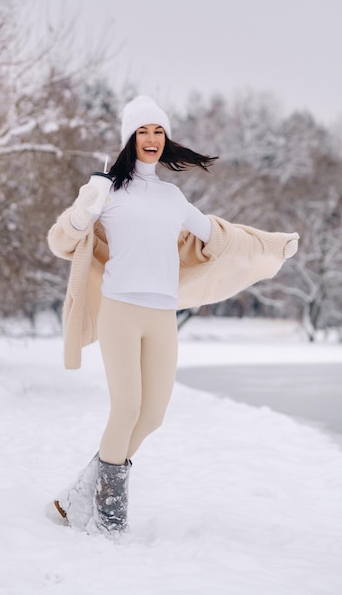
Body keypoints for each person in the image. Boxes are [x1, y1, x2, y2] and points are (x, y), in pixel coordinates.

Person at [47, 95, 299, 538]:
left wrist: (269, 246)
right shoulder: (108, 193)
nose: (151, 139)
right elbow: (61, 241)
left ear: (166, 139)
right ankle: (109, 519)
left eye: (158, 131)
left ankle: (77, 497)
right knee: (126, 408)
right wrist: (85, 207)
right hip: (121, 311)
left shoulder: (172, 196)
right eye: (142, 131)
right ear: (129, 138)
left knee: (153, 415)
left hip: (161, 316)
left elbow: (222, 236)